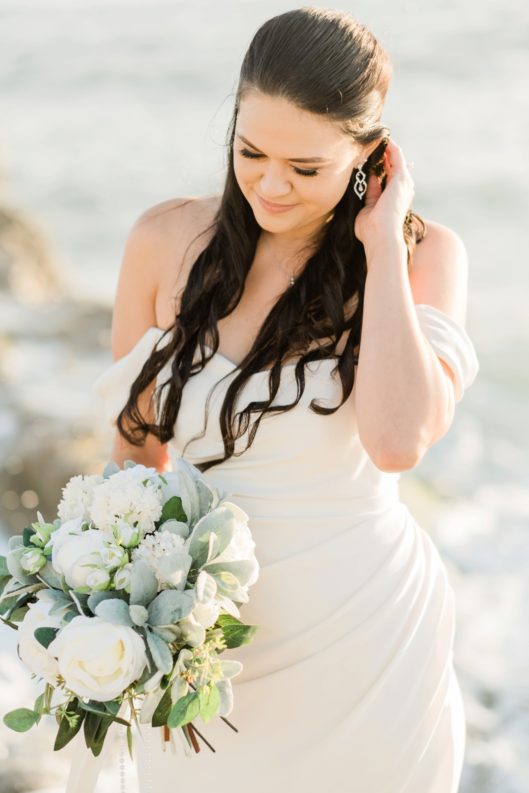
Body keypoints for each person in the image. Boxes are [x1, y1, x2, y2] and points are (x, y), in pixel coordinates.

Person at [75, 7, 480, 793]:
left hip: (363, 644)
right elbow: (135, 460)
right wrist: (121, 613)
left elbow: (398, 440)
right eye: (250, 151)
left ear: (371, 157)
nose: (268, 183)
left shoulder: (424, 256)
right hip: (205, 647)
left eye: (305, 167)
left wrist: (381, 239)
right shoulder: (165, 241)